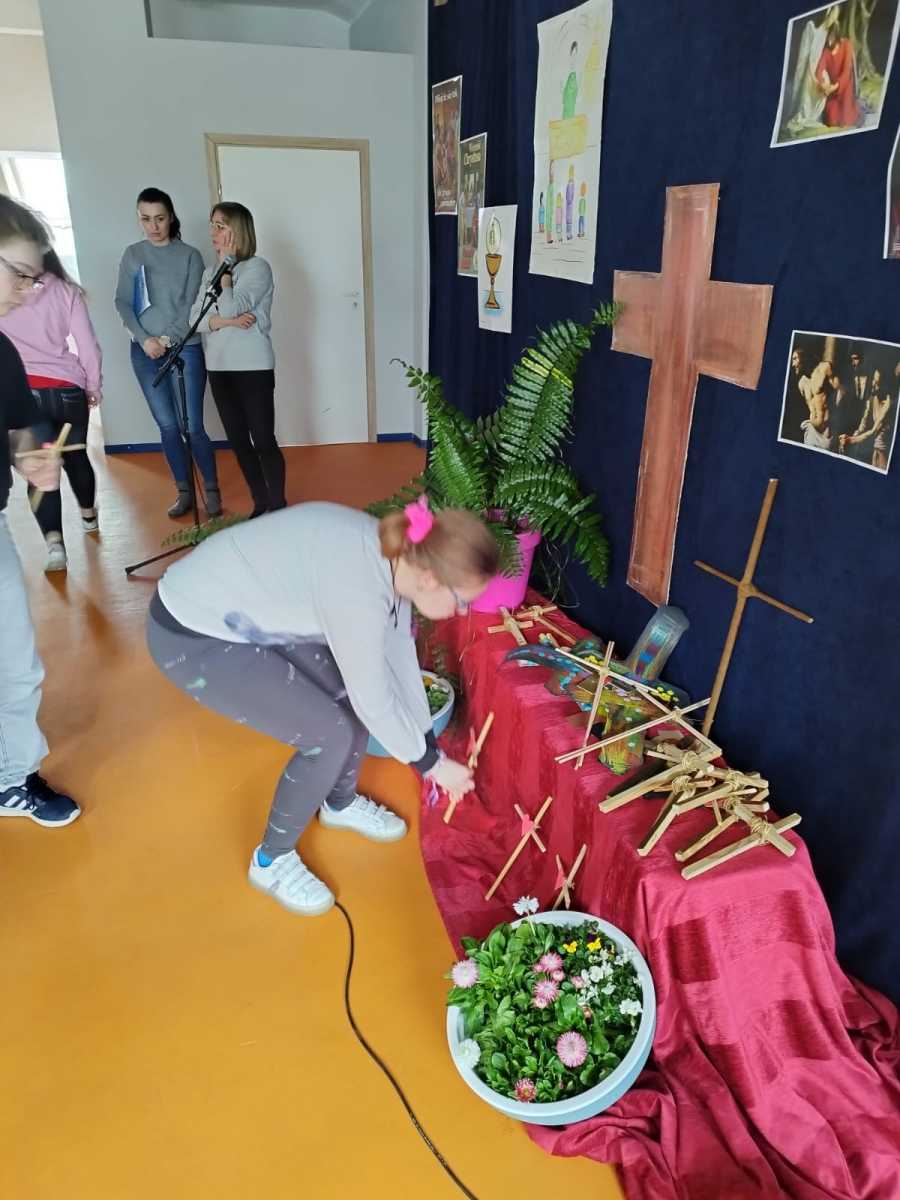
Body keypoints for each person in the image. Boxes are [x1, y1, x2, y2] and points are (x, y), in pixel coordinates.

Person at [146, 496, 499, 915]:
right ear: (430, 578)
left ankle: (339, 803)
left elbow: (398, 657)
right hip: (191, 633)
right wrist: (432, 766)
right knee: (329, 736)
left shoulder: (399, 561)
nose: (462, 611)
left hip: (244, 605)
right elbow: (374, 700)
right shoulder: (359, 590)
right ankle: (271, 860)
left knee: (347, 700)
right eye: (461, 600)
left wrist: (427, 744)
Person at [0, 196, 80, 826]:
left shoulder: (3, 349)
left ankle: (11, 778)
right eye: (20, 275)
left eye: (34, 280)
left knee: (15, 664)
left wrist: (31, 457)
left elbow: (20, 424)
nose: (27, 293)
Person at [115, 187, 221, 520]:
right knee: (168, 426)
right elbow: (123, 302)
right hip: (145, 352)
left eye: (159, 218)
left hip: (185, 348)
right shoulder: (133, 254)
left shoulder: (190, 255)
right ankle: (184, 491)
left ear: (171, 217)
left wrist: (167, 338)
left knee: (193, 426)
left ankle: (212, 490)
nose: (153, 226)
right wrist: (145, 339)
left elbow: (193, 304)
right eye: (145, 219)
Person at [0, 241, 102, 572]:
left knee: (39, 468)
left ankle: (55, 546)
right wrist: (93, 385)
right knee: (76, 456)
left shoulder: (8, 292)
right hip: (67, 388)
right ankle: (89, 518)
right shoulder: (66, 290)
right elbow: (87, 345)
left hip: (25, 392)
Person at [191, 202, 285, 518]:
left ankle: (278, 504)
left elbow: (231, 306)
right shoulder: (209, 273)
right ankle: (261, 502)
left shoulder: (258, 268)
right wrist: (228, 322)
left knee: (263, 439)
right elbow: (195, 320)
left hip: (253, 367)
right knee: (238, 441)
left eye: (221, 226)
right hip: (219, 367)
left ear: (239, 231)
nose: (213, 232)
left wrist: (227, 277)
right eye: (212, 225)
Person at [842, 367, 893, 470]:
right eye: (874, 380)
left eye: (877, 383)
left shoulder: (889, 403)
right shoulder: (872, 399)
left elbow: (873, 431)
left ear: (885, 385)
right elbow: (864, 423)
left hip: (884, 453)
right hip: (876, 450)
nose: (873, 384)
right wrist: (854, 434)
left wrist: (852, 440)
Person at [816, 19, 860, 129]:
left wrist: (835, 86)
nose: (830, 41)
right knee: (831, 120)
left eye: (832, 37)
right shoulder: (826, 51)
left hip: (845, 87)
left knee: (846, 120)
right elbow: (819, 69)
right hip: (832, 92)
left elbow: (846, 72)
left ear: (837, 36)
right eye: (828, 37)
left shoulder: (846, 45)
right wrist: (823, 84)